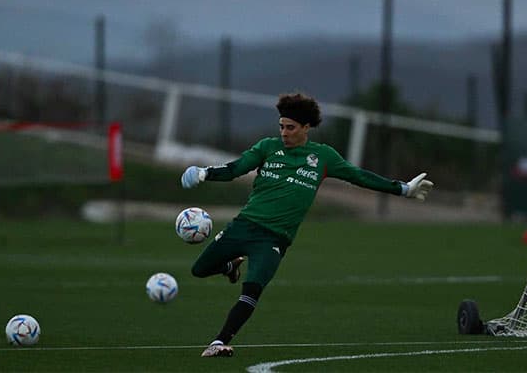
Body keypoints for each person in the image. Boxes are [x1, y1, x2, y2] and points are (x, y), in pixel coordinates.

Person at [179, 92, 434, 358]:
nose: (284, 133)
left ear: (306, 128)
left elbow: (358, 176)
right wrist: (204, 173)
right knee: (199, 269)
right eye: (281, 126)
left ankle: (219, 342)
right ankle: (230, 266)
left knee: (252, 290)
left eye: (290, 127)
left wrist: (402, 189)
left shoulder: (322, 156)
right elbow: (235, 169)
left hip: (274, 240)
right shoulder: (267, 148)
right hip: (243, 226)